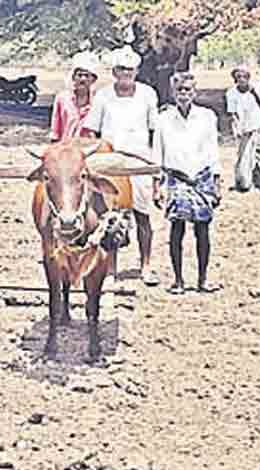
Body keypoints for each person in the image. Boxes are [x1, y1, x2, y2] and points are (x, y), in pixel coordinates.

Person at [82, 47, 160, 285]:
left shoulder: (148, 94)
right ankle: (111, 269)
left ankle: (145, 265)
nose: (126, 74)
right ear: (114, 72)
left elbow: (154, 130)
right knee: (111, 217)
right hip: (110, 162)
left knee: (143, 215)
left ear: (136, 71)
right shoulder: (104, 96)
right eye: (121, 70)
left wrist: (155, 166)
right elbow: (93, 130)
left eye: (130, 70)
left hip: (139, 161)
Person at [152, 73, 221, 295]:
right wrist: (157, 185)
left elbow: (213, 151)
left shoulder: (207, 117)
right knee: (177, 229)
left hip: (202, 177)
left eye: (188, 90)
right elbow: (157, 153)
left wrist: (216, 182)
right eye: (180, 90)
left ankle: (202, 280)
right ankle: (178, 280)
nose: (184, 94)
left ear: (195, 92)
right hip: (176, 178)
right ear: (173, 92)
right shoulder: (163, 119)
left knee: (202, 230)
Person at [226, 64, 260, 192]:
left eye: (245, 76)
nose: (242, 79)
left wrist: (254, 91)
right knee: (243, 155)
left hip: (258, 125)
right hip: (243, 128)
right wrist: (238, 128)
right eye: (238, 76)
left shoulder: (256, 88)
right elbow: (232, 114)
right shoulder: (231, 93)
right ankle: (243, 182)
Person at [50, 53, 99, 142]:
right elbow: (55, 131)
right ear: (73, 78)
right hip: (66, 148)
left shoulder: (98, 101)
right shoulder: (62, 99)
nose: (83, 79)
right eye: (79, 75)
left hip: (90, 149)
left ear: (93, 80)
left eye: (87, 76)